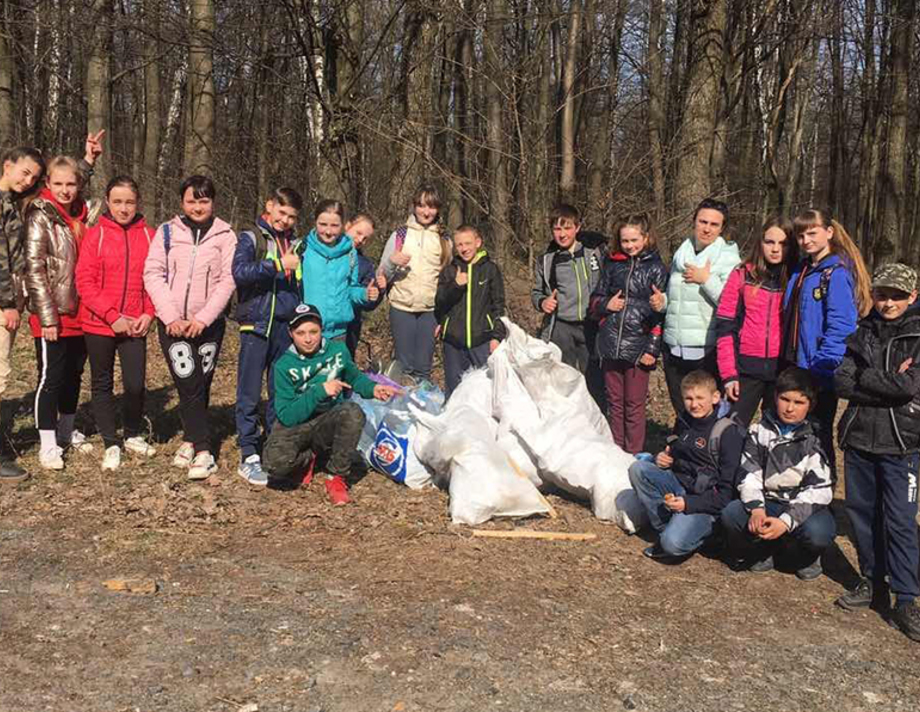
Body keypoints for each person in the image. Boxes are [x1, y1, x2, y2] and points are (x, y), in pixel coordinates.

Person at [834, 263, 920, 642]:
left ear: (913, 297)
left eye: (898, 296)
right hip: (860, 438)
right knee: (862, 516)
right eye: (882, 294)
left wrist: (866, 377)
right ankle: (873, 581)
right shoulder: (862, 332)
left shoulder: (917, 335)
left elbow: (908, 387)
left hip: (902, 443)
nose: (888, 303)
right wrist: (885, 383)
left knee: (900, 520)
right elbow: (840, 379)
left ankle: (906, 597)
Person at [143, 175, 237, 480]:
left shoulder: (226, 235)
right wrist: (171, 317)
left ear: (213, 202)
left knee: (201, 382)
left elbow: (228, 280)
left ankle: (189, 438)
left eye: (204, 200)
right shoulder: (168, 232)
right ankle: (204, 450)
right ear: (182, 202)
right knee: (187, 381)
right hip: (173, 326)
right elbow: (153, 273)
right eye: (191, 200)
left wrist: (204, 319)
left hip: (208, 325)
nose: (198, 207)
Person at [263, 304, 399, 504]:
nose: (308, 339)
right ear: (291, 334)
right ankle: (307, 460)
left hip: (328, 419)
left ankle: (336, 476)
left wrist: (373, 388)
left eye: (313, 332)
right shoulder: (284, 365)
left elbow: (354, 377)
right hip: (298, 423)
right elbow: (286, 415)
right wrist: (319, 391)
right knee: (274, 466)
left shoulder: (337, 351)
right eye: (300, 333)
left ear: (321, 330)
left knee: (353, 412)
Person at [24, 134, 104, 471]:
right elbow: (34, 268)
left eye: (71, 183)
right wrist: (48, 318)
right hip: (52, 312)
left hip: (82, 309)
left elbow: (78, 180)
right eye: (58, 183)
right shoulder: (40, 214)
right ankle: (47, 443)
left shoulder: (84, 211)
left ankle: (67, 430)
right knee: (51, 377)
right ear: (47, 183)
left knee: (74, 374)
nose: (65, 189)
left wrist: (88, 161)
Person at [721, 367, 835, 580]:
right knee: (732, 514)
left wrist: (786, 521)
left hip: (800, 505)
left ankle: (806, 557)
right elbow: (749, 473)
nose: (790, 408)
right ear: (775, 397)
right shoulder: (758, 431)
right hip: (768, 501)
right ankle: (763, 549)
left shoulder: (817, 439)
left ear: (811, 405)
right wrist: (756, 509)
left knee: (819, 533)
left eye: (799, 403)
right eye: (785, 399)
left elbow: (819, 490)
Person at [75, 176, 157, 471]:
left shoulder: (150, 235)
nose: (124, 208)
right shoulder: (94, 235)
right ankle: (111, 442)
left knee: (135, 385)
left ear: (138, 203)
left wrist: (149, 312)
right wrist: (112, 316)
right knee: (102, 384)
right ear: (108, 202)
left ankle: (133, 433)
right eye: (118, 202)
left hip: (136, 323)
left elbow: (155, 279)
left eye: (130, 202)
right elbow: (84, 282)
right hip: (99, 324)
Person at [783, 208, 871, 478]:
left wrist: (822, 372)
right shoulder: (803, 270)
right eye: (801, 235)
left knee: (818, 435)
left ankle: (822, 496)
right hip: (796, 364)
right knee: (797, 435)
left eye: (812, 233)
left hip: (818, 370)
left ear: (829, 232)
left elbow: (841, 328)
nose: (806, 240)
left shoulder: (835, 273)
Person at [627, 370, 743, 560]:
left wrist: (689, 504)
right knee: (639, 469)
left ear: (715, 397)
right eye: (688, 398)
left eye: (699, 398)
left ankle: (708, 534)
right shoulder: (684, 420)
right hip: (680, 487)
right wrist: (663, 459)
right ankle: (666, 527)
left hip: (706, 501)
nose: (694, 404)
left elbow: (726, 494)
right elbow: (675, 452)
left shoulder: (727, 432)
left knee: (672, 545)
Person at [232, 187, 304, 486]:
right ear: (269, 206)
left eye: (291, 217)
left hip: (284, 328)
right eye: (281, 213)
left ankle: (274, 445)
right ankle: (248, 452)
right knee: (249, 392)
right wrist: (275, 265)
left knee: (279, 391)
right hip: (256, 325)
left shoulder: (295, 243)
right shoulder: (251, 237)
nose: (285, 220)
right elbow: (239, 271)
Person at [589, 213, 668, 453]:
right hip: (611, 344)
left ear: (646, 237)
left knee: (633, 405)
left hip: (638, 348)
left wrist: (652, 349)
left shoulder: (656, 268)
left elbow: (661, 316)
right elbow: (594, 300)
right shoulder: (612, 265)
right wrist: (606, 305)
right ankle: (616, 452)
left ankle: (633, 455)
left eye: (634, 240)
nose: (630, 245)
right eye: (625, 241)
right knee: (615, 403)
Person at [654, 198, 740, 416]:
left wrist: (706, 280)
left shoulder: (728, 257)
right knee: (682, 409)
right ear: (694, 222)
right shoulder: (681, 253)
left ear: (722, 229)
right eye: (703, 222)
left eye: (714, 224)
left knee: (705, 411)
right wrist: (663, 302)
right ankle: (683, 447)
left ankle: (708, 449)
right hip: (674, 346)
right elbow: (678, 297)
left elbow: (733, 304)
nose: (707, 229)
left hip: (705, 349)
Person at [715, 216, 799, 426]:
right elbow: (725, 326)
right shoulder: (742, 274)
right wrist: (729, 374)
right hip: (744, 369)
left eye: (783, 244)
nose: (775, 249)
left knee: (775, 434)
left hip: (782, 370)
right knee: (731, 430)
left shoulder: (797, 278)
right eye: (770, 242)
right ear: (760, 242)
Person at [0, 146, 45, 481]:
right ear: (7, 165)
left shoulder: (14, 201)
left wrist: (87, 164)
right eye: (24, 172)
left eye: (33, 177)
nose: (28, 180)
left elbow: (61, 189)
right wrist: (7, 303)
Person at [379, 184, 452, 380]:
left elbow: (449, 282)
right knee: (404, 367)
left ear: (438, 209)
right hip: (401, 306)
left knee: (423, 368)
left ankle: (421, 406)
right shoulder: (400, 235)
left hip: (430, 310)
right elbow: (381, 275)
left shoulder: (445, 240)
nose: (426, 212)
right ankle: (402, 407)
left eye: (431, 207)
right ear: (413, 207)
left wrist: (446, 316)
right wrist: (391, 262)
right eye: (421, 206)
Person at [434, 224, 505, 397]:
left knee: (484, 390)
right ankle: (452, 422)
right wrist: (456, 285)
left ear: (478, 242)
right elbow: (440, 301)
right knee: (455, 391)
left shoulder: (490, 270)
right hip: (453, 342)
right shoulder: (450, 270)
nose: (464, 249)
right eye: (460, 245)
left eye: (468, 243)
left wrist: (496, 336)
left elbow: (499, 305)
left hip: (482, 340)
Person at [531, 203, 603, 372]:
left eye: (567, 228)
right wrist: (542, 303)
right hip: (561, 328)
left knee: (593, 380)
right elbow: (536, 292)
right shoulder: (547, 260)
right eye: (557, 229)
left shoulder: (594, 253)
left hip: (591, 325)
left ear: (577, 228)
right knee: (563, 379)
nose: (562, 234)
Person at [299, 200, 376, 343]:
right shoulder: (302, 250)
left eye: (334, 225)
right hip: (308, 332)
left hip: (338, 333)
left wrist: (364, 294)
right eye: (323, 224)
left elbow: (351, 289)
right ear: (315, 222)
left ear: (343, 225)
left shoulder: (350, 253)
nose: (328, 231)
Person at [344, 212, 386, 358]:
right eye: (358, 233)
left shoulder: (365, 265)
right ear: (347, 226)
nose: (360, 239)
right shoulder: (325, 253)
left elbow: (368, 305)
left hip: (350, 326)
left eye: (365, 238)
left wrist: (378, 291)